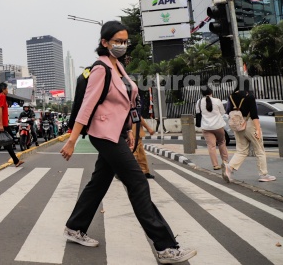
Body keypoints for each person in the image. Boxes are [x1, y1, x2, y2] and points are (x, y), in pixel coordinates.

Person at [59, 21, 196, 264]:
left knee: (99, 183)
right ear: (104, 42)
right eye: (117, 41)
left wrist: (128, 130)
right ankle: (165, 247)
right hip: (102, 134)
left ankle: (74, 227)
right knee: (138, 182)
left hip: (116, 133)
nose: (122, 45)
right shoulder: (101, 69)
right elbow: (87, 107)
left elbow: (126, 104)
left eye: (125, 41)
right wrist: (71, 140)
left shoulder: (118, 67)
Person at [223, 78, 276, 183]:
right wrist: (258, 129)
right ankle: (263, 174)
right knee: (259, 149)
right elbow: (254, 115)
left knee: (241, 150)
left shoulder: (231, 96)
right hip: (249, 124)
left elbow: (228, 111)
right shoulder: (249, 96)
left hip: (237, 125)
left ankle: (229, 168)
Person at [195, 86, 228, 171]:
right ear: (211, 92)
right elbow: (223, 112)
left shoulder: (199, 102)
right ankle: (225, 162)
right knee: (221, 143)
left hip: (206, 127)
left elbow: (198, 114)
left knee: (211, 146)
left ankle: (215, 165)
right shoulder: (217, 101)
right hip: (218, 126)